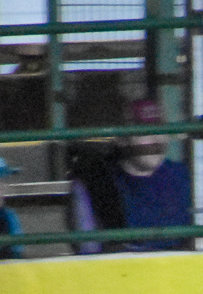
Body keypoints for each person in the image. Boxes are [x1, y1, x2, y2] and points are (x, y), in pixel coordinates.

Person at [70, 98, 192, 253]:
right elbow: (88, 251)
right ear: (121, 139)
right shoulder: (98, 183)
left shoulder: (183, 175)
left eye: (161, 130)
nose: (156, 140)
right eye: (145, 132)